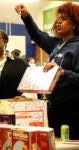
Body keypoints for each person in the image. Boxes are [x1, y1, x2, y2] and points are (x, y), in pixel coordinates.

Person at [15, 2, 79, 140]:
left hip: (73, 110)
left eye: (64, 19)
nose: (58, 22)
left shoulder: (77, 46)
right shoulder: (57, 44)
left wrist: (63, 72)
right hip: (53, 108)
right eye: (58, 18)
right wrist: (26, 17)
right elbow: (37, 35)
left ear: (75, 23)